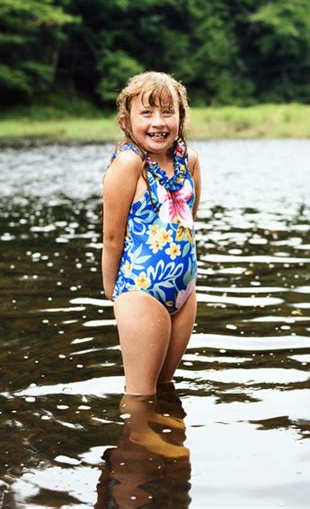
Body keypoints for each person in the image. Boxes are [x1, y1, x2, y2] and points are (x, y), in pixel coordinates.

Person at [102, 71, 201, 396]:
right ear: (127, 120)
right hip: (141, 290)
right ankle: (139, 439)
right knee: (141, 395)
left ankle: (165, 437)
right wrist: (114, 292)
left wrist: (187, 283)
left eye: (167, 112)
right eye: (147, 113)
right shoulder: (129, 164)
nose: (158, 122)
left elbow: (188, 223)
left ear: (180, 116)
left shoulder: (189, 161)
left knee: (165, 387)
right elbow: (112, 237)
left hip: (184, 292)